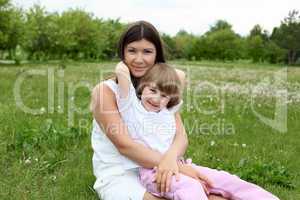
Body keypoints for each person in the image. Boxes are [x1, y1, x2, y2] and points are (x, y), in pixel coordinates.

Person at [90, 20, 227, 200]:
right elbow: (125, 146)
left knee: (213, 193)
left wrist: (172, 160)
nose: (139, 59)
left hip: (160, 166)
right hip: (122, 172)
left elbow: (181, 137)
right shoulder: (105, 91)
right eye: (132, 51)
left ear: (157, 55)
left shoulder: (159, 92)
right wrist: (176, 165)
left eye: (147, 51)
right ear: (122, 52)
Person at [114, 62, 280, 200]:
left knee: (225, 179)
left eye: (164, 95)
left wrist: (162, 76)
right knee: (191, 187)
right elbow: (121, 69)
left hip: (180, 164)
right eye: (152, 90)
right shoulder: (131, 108)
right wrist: (141, 67)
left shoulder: (168, 111)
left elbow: (180, 75)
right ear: (142, 88)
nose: (157, 99)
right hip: (152, 172)